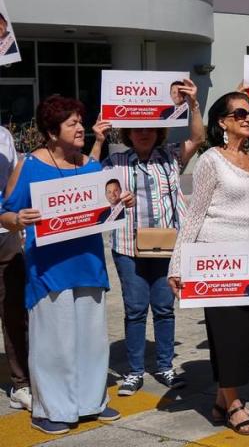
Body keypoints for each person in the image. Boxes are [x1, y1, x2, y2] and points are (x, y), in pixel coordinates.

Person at [1, 95, 132, 434]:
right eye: (72, 123)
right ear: (51, 130)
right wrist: (17, 218)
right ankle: (53, 409)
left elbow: (107, 202)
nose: (80, 129)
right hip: (49, 270)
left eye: (80, 122)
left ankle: (91, 402)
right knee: (53, 344)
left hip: (88, 265)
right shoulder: (29, 165)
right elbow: (5, 211)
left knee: (91, 340)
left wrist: (121, 202)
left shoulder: (90, 165)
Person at [167, 92, 249, 436]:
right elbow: (194, 215)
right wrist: (177, 265)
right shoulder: (211, 159)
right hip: (217, 259)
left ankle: (220, 401)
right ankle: (235, 406)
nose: (247, 118)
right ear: (222, 122)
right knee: (229, 333)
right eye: (239, 113)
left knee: (246, 334)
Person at [93, 78, 204, 396]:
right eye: (137, 128)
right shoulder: (115, 162)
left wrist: (193, 104)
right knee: (135, 309)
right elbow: (88, 185)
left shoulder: (171, 157)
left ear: (158, 131)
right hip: (128, 247)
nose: (143, 133)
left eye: (149, 128)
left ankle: (166, 366)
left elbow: (198, 137)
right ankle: (134, 371)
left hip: (167, 247)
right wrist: (98, 141)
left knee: (165, 308)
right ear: (128, 132)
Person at [0, 123, 30, 412]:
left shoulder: (4, 135)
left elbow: (11, 184)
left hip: (4, 234)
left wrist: (15, 221)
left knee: (15, 312)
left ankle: (21, 384)